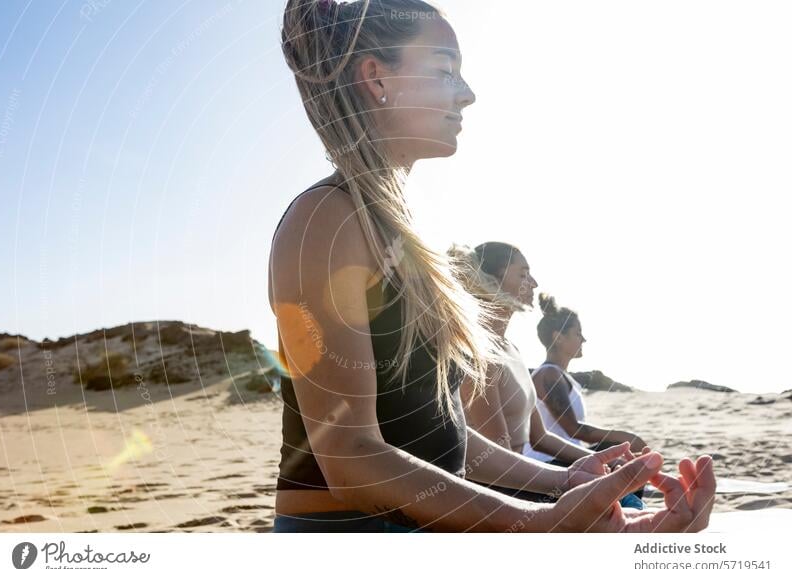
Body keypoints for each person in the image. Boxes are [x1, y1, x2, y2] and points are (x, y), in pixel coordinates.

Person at [269, 0, 715, 533]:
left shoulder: (409, 234)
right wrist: (540, 524)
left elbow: (446, 435)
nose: (467, 93)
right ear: (377, 79)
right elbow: (349, 455)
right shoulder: (326, 219)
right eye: (443, 71)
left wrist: (566, 484)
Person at [450, 242, 645, 508]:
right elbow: (499, 456)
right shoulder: (481, 353)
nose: (533, 282)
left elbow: (539, 438)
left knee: (625, 483)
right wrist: (569, 479)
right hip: (499, 490)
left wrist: (599, 460)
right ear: (489, 280)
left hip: (522, 476)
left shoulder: (511, 349)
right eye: (522, 274)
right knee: (627, 501)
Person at [527, 293, 649, 465]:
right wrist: (629, 437)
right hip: (548, 462)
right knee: (626, 447)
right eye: (577, 333)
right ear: (558, 337)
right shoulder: (549, 375)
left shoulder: (560, 375)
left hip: (565, 458)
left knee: (624, 452)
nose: (583, 339)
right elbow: (574, 430)